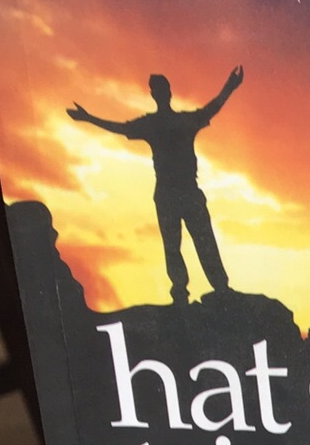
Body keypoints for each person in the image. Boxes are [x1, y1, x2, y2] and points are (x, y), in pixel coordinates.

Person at [68, 67, 244, 304]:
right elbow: (122, 128)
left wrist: (230, 87)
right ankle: (183, 291)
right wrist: (88, 118)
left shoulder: (179, 121)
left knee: (202, 241)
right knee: (175, 245)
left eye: (161, 89)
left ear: (166, 93)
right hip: (169, 193)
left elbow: (211, 109)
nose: (160, 93)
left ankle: (218, 288)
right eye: (157, 90)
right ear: (157, 94)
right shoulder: (157, 124)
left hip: (186, 191)